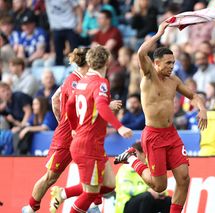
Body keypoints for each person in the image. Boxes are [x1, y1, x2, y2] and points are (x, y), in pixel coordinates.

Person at [114, 21, 207, 213]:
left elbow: (194, 96)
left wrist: (202, 108)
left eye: (173, 62)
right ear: (156, 63)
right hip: (154, 135)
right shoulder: (149, 76)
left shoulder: (174, 80)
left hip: (171, 134)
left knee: (183, 178)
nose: (172, 66)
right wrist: (159, 33)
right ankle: (132, 158)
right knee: (160, 186)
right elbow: (141, 53)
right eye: (168, 63)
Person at [60, 46, 133, 213]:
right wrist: (119, 127)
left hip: (88, 143)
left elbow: (70, 106)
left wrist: (73, 127)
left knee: (109, 185)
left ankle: (63, 193)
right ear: (107, 61)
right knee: (90, 193)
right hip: (88, 145)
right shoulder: (101, 82)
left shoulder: (83, 81)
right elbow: (100, 105)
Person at [21, 48, 91, 213]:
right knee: (51, 177)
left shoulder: (82, 79)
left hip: (81, 135)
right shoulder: (74, 81)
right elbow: (70, 104)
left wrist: (62, 120)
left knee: (95, 174)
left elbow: (54, 99)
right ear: (89, 62)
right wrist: (64, 124)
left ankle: (93, 204)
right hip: (67, 137)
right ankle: (30, 207)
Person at [115, 141, 171, 213]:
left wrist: (161, 193)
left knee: (167, 200)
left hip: (147, 199)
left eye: (135, 154)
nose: (132, 156)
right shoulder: (125, 168)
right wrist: (148, 191)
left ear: (143, 154)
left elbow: (161, 186)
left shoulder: (151, 168)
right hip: (126, 206)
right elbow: (126, 189)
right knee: (147, 197)